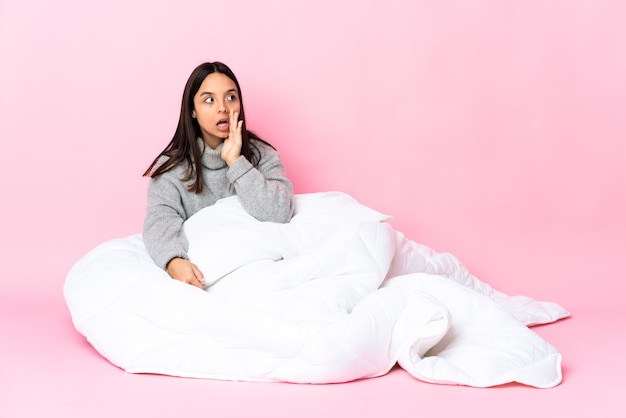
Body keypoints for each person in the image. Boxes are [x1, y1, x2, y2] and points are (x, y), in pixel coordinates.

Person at [143, 62, 294, 289]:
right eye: (209, 100)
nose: (223, 108)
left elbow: (280, 212)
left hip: (262, 271)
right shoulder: (172, 167)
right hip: (211, 277)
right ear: (192, 110)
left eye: (231, 97)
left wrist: (235, 162)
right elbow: (159, 222)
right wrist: (174, 260)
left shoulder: (262, 154)